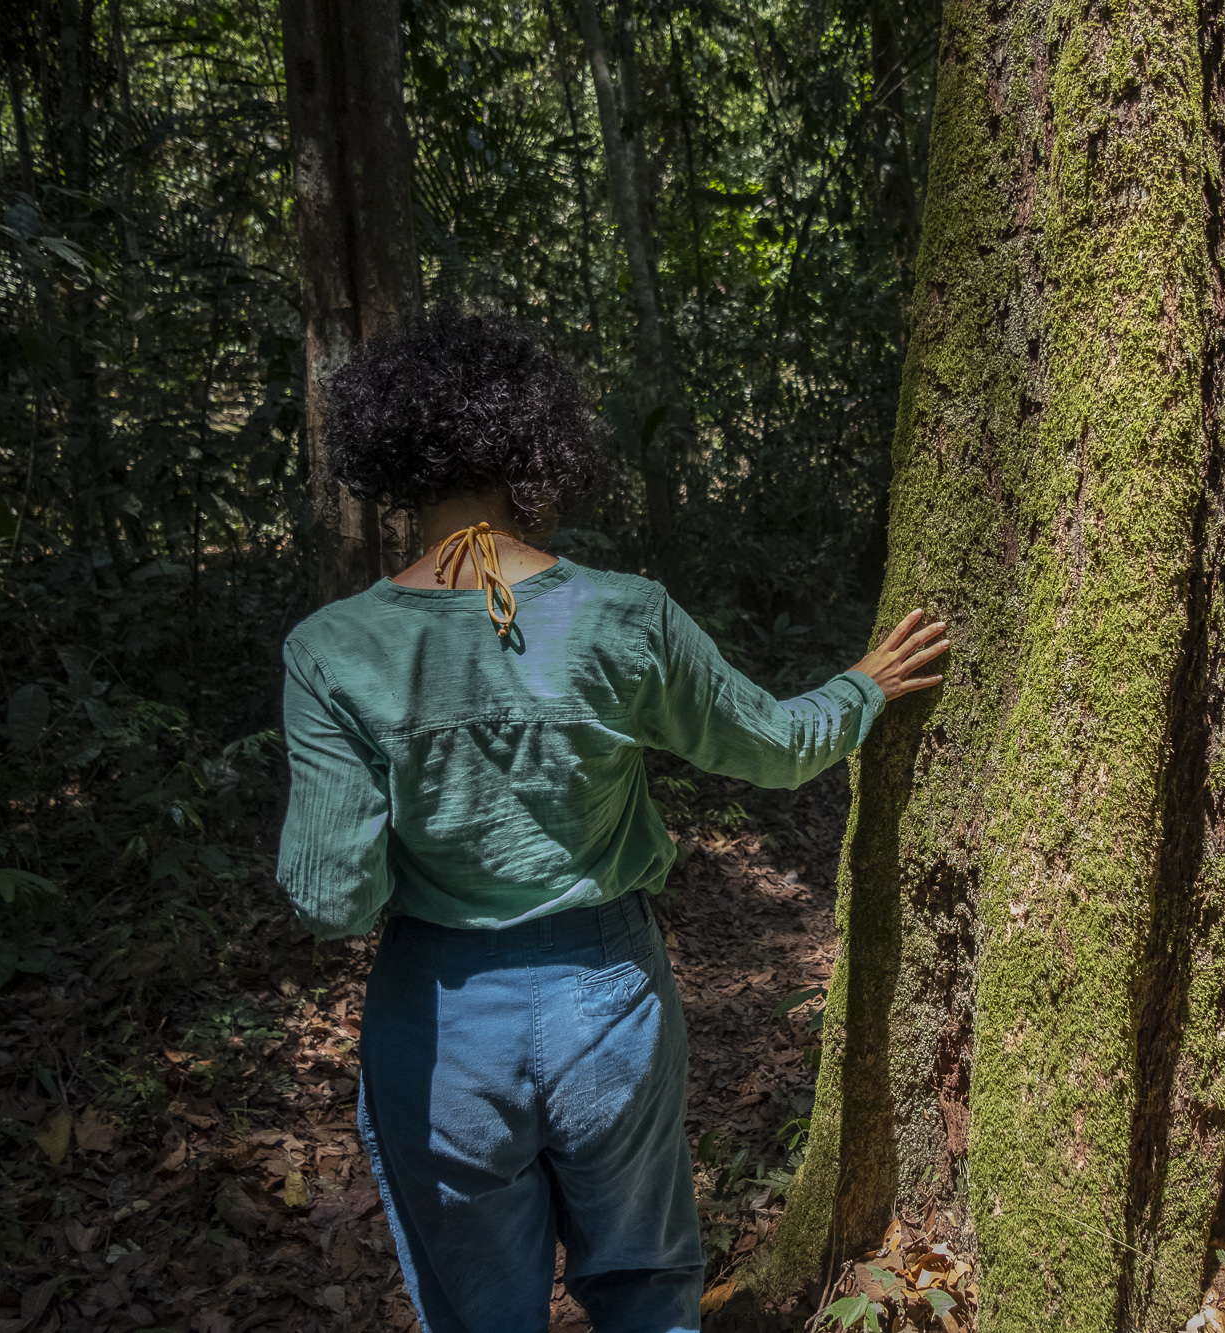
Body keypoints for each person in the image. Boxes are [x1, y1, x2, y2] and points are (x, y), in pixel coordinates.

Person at [274, 306, 947, 1333]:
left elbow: (333, 896)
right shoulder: (621, 613)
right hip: (607, 1002)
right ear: (532, 453)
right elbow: (766, 747)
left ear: (393, 463)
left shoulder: (332, 649)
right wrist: (858, 690)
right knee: (645, 1295)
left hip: (439, 1019)